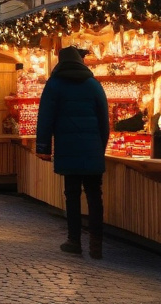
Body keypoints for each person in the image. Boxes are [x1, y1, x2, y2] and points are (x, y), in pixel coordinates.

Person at [35, 45, 110, 258]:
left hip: (68, 149)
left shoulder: (55, 85)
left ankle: (74, 241)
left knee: (72, 195)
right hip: (92, 149)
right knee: (95, 196)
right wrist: (100, 147)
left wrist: (43, 148)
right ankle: (96, 246)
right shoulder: (93, 85)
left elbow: (45, 118)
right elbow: (105, 121)